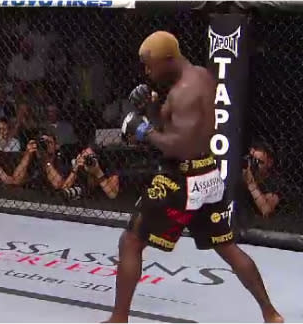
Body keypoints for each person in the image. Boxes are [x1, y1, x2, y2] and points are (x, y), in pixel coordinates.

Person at [111, 31, 283, 323]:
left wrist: (143, 131)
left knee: (130, 241)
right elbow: (173, 124)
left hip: (182, 180)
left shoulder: (184, 92)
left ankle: (118, 319)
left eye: (150, 65)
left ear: (168, 59)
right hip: (208, 175)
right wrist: (151, 106)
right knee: (226, 246)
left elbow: (178, 145)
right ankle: (271, 313)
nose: (147, 71)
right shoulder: (200, 76)